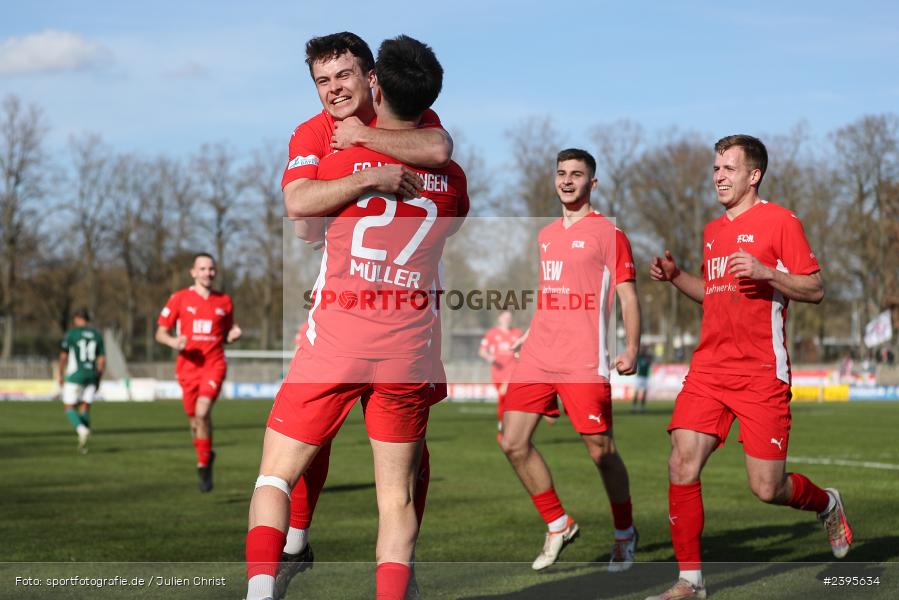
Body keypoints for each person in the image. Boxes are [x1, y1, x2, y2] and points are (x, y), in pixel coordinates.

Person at [244, 35, 468, 600]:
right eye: (323, 81)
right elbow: (302, 211)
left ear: (373, 79)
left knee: (395, 466)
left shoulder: (365, 134)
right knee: (381, 479)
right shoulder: (313, 132)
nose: (335, 89)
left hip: (350, 326)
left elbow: (436, 147)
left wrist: (363, 152)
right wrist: (371, 175)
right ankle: (307, 539)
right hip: (400, 335)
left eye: (345, 75)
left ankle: (300, 555)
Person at [646, 135, 852, 600]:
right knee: (681, 462)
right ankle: (690, 582)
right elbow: (715, 294)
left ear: (753, 175)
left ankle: (827, 502)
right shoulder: (712, 231)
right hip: (709, 369)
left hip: (761, 372)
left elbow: (815, 288)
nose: (718, 175)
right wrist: (678, 278)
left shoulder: (781, 221)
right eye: (715, 168)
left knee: (767, 487)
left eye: (728, 168)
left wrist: (768, 273)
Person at [500, 148, 641, 573]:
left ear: (591, 184)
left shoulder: (608, 233)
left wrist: (631, 346)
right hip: (539, 355)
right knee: (512, 441)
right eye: (561, 173)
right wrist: (529, 331)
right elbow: (551, 292)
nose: (567, 180)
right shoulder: (544, 236)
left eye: (576, 174)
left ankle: (624, 532)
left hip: (584, 361)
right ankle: (558, 523)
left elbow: (627, 296)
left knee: (601, 452)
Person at [155, 253, 241, 492]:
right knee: (194, 420)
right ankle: (205, 456)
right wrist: (173, 342)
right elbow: (160, 333)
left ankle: (203, 464)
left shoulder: (224, 301)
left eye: (211, 269)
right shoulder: (179, 298)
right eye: (202, 269)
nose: (207, 273)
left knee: (202, 413)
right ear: (193, 272)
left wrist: (232, 336)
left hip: (214, 365)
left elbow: (225, 333)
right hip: (187, 367)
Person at [58, 308, 105, 454]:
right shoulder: (97, 335)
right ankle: (83, 444)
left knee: (69, 407)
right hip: (91, 375)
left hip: (75, 375)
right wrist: (98, 378)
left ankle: (81, 429)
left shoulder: (72, 334)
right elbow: (102, 360)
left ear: (77, 318)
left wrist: (60, 374)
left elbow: (63, 356)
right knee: (85, 406)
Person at [479, 310, 523, 441]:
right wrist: (489, 358)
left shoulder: (518, 333)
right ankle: (504, 428)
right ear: (499, 318)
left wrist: (520, 355)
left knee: (508, 398)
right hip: (498, 373)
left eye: (509, 317)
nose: (507, 319)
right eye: (505, 317)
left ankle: (505, 430)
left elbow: (524, 350)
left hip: (514, 373)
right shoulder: (492, 334)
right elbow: (482, 351)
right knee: (504, 401)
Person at [632, 345, 653, 413]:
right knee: (636, 392)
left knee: (644, 392)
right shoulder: (639, 356)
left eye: (645, 349)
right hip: (639, 376)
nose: (644, 350)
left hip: (645, 377)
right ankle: (634, 408)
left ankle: (642, 408)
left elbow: (650, 363)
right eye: (643, 349)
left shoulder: (648, 357)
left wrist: (648, 359)